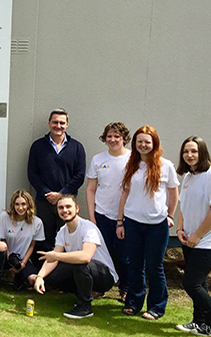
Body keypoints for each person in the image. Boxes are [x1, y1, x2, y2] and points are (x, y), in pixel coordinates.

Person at [116, 125, 179, 320]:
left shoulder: (165, 165)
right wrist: (120, 222)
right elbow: (125, 193)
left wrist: (170, 215)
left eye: (147, 142)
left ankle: (156, 307)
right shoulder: (131, 164)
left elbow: (173, 192)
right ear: (135, 144)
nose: (143, 145)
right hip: (133, 223)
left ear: (154, 144)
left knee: (155, 267)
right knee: (134, 265)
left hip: (157, 226)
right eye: (140, 141)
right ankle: (133, 302)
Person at [174, 136, 211, 336]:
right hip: (190, 239)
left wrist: (197, 235)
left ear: (202, 152)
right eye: (186, 151)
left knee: (191, 283)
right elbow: (183, 207)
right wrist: (180, 229)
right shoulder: (188, 177)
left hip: (210, 240)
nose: (189, 155)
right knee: (201, 283)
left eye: (194, 151)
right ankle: (198, 322)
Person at [33, 194, 117, 319]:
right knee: (53, 277)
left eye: (68, 206)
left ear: (77, 209)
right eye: (61, 208)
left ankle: (85, 307)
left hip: (105, 276)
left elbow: (85, 257)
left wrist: (57, 256)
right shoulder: (62, 232)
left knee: (79, 262)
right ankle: (84, 292)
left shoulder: (89, 228)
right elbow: (53, 258)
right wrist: (40, 277)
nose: (65, 210)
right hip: (84, 270)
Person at [27, 108, 86, 255]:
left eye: (62, 123)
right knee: (43, 238)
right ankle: (42, 273)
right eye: (55, 122)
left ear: (67, 125)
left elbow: (79, 175)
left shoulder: (77, 147)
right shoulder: (38, 146)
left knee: (67, 237)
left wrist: (61, 195)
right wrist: (47, 193)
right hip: (44, 201)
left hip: (67, 203)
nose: (58, 126)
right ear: (49, 123)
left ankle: (62, 273)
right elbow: (32, 174)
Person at [85, 122, 131, 302]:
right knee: (101, 254)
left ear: (124, 139)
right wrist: (92, 217)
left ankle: (125, 289)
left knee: (124, 256)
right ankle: (100, 287)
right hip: (102, 215)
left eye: (116, 136)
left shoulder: (133, 159)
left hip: (127, 217)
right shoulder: (98, 159)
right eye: (109, 136)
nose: (112, 140)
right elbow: (90, 189)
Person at [0, 190, 45, 292]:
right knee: (0, 246)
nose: (20, 208)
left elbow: (32, 245)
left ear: (29, 205)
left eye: (23, 204)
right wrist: (10, 258)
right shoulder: (4, 217)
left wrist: (23, 264)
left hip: (23, 259)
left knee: (32, 279)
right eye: (17, 204)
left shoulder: (37, 222)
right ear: (13, 205)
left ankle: (21, 279)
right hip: (6, 255)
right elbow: (3, 240)